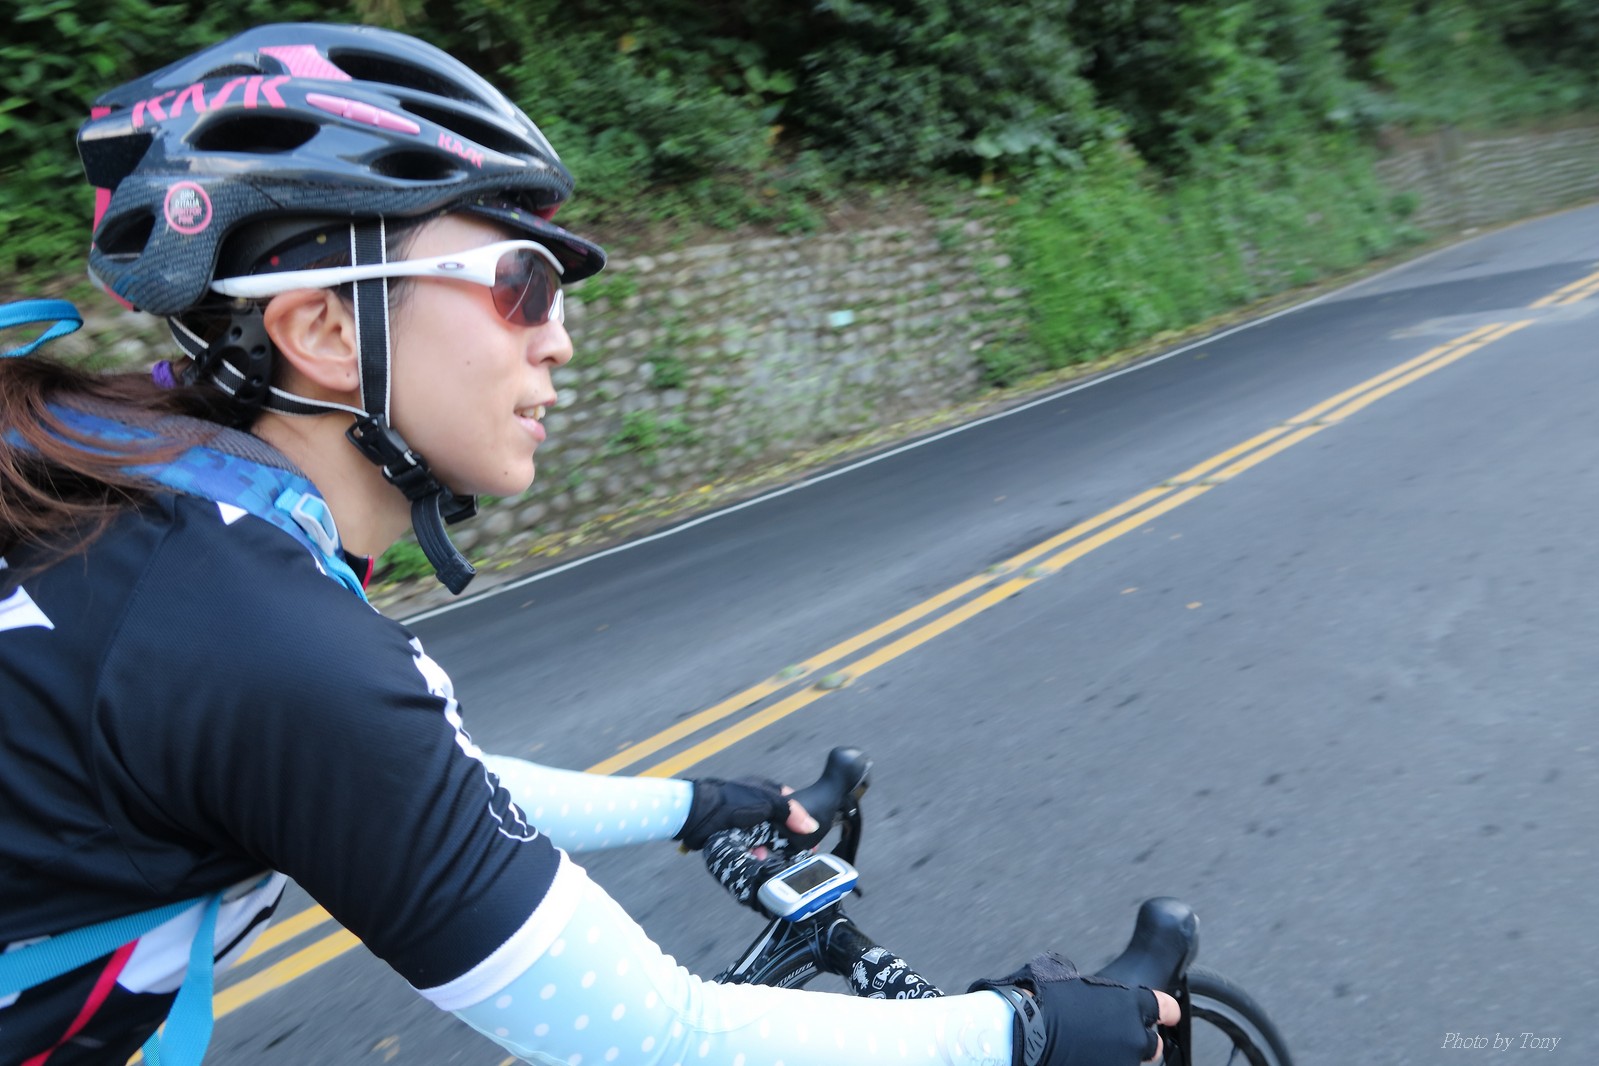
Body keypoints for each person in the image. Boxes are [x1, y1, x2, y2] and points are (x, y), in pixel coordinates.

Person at [0, 23, 1178, 1066]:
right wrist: (1026, 1032)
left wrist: (695, 804)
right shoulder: (265, 646)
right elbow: (655, 1035)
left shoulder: (135, 496)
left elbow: (410, 784)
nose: (559, 339)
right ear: (322, 327)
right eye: (520, 283)